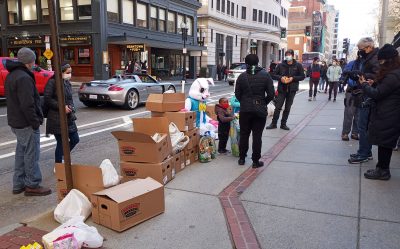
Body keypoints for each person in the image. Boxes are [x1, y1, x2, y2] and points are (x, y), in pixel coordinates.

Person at [4, 47, 51, 196]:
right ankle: (32, 184)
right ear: (29, 61)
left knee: (21, 152)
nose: (34, 62)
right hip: (26, 123)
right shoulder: (24, 77)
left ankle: (18, 183)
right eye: (33, 59)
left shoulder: (12, 75)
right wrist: (35, 122)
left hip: (16, 121)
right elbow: (27, 104)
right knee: (31, 154)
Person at [359, 44, 400, 180]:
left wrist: (364, 85)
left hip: (388, 114)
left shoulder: (394, 75)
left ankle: (382, 171)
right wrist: (373, 83)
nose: (380, 63)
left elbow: (378, 94)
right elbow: (384, 89)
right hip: (389, 113)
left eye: (382, 61)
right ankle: (381, 168)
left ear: (389, 60)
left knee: (384, 144)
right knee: (384, 143)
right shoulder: (394, 73)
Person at [235, 54, 275, 167]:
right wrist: (263, 102)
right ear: (258, 62)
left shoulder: (241, 77)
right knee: (257, 136)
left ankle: (242, 159)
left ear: (246, 63)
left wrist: (244, 102)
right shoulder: (266, 75)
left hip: (245, 110)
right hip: (260, 110)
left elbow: (237, 94)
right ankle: (255, 161)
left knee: (244, 134)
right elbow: (271, 94)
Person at [348, 37, 379, 164]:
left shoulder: (375, 58)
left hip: (368, 95)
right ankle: (366, 151)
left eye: (361, 49)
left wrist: (362, 75)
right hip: (364, 92)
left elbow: (378, 75)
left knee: (363, 125)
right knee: (363, 125)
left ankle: (364, 153)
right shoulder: (367, 58)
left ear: (369, 47)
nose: (360, 51)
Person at [44, 63, 80, 164]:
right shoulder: (52, 82)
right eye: (68, 72)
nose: (70, 74)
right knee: (61, 143)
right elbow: (47, 99)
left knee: (75, 139)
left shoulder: (67, 82)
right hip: (56, 118)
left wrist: (71, 107)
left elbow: (70, 98)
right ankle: (59, 164)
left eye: (70, 72)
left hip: (68, 117)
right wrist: (61, 107)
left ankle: (63, 155)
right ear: (61, 72)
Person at [266, 49, 305, 130]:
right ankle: (274, 123)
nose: (288, 56)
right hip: (282, 89)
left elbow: (302, 76)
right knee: (278, 107)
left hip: (292, 90)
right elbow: (273, 75)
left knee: (287, 108)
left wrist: (293, 78)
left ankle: (283, 124)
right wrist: (281, 78)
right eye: (286, 55)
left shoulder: (298, 65)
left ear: (292, 56)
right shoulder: (280, 65)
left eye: (289, 55)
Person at [341, 55, 361, 141]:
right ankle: (345, 132)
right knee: (349, 113)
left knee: (358, 114)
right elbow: (344, 73)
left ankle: (355, 132)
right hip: (352, 90)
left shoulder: (368, 64)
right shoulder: (352, 63)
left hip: (362, 91)